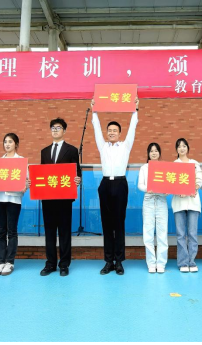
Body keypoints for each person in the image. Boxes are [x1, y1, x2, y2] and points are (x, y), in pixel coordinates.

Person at [91, 97, 139, 276]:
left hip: (120, 184)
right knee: (106, 224)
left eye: (114, 131)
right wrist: (94, 111)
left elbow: (133, 128)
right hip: (105, 184)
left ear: (119, 133)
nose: (111, 133)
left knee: (119, 224)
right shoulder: (103, 146)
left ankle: (119, 261)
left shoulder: (125, 146)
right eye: (109, 130)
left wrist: (135, 110)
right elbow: (96, 129)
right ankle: (108, 261)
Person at [38, 118, 81, 278]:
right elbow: (41, 174)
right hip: (47, 199)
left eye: (58, 128)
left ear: (64, 131)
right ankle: (50, 263)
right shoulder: (44, 151)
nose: (55, 130)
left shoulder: (72, 150)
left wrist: (77, 179)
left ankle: (64, 264)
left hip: (64, 199)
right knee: (49, 232)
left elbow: (77, 172)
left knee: (64, 232)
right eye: (53, 128)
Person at [0, 133, 27, 277]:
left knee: (11, 231)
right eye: (5, 142)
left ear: (16, 144)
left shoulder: (21, 161)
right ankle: (1, 261)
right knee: (1, 231)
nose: (7, 144)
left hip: (13, 200)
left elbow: (26, 182)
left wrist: (25, 186)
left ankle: (10, 262)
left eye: (10, 142)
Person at [172, 138, 202, 273]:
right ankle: (183, 262)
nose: (182, 148)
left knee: (192, 234)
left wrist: (193, 188)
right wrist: (178, 191)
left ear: (188, 148)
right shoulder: (174, 165)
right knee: (180, 234)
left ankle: (192, 261)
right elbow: (171, 183)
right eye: (179, 146)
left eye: (184, 146)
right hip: (179, 203)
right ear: (176, 149)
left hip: (193, 202)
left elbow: (199, 180)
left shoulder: (194, 163)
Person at [138, 143, 168, 274]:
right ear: (148, 154)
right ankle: (151, 263)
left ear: (159, 153)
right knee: (148, 233)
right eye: (151, 151)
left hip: (161, 201)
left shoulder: (164, 167)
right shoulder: (144, 168)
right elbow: (140, 185)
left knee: (162, 233)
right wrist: (148, 189)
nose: (154, 153)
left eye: (156, 151)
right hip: (149, 200)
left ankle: (161, 263)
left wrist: (167, 191)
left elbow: (168, 184)